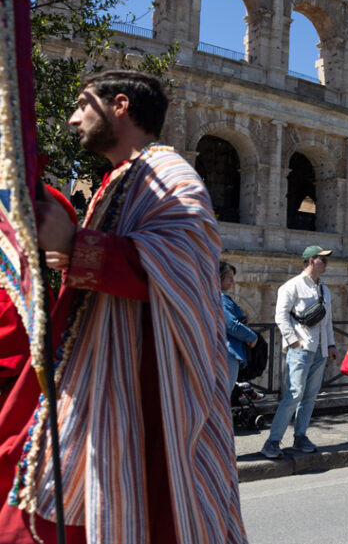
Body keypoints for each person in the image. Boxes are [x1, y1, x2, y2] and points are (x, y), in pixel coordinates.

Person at [9, 70, 246, 542]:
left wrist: (77, 246)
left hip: (147, 389)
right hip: (103, 381)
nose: (73, 118)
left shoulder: (171, 174)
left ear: (119, 105)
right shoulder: (119, 179)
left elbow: (180, 266)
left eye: (83, 104)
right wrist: (68, 251)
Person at [261, 245, 338, 458]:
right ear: (311, 260)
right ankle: (272, 441)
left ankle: (300, 436)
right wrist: (293, 341)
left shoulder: (325, 289)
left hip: (320, 349)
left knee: (310, 396)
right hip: (301, 349)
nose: (326, 262)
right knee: (293, 395)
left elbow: (327, 321)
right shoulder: (291, 286)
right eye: (323, 259)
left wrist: (331, 345)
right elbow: (281, 316)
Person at [221, 261, 258, 392]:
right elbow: (231, 325)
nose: (232, 281)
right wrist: (252, 337)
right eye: (229, 277)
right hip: (227, 352)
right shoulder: (221, 298)